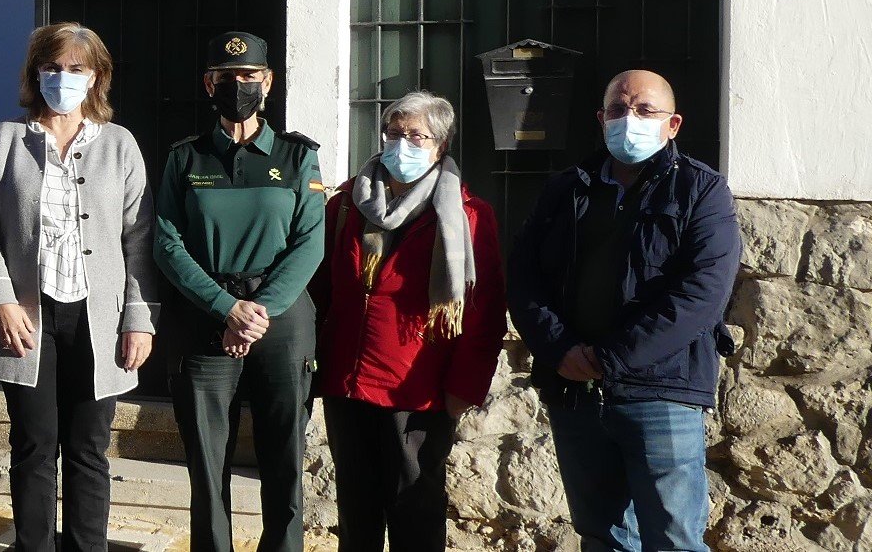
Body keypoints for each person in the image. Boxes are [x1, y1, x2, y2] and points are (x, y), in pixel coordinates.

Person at [509, 70, 739, 552]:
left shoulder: (702, 191)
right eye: (618, 109)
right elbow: (525, 278)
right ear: (601, 118)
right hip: (577, 394)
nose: (629, 119)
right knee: (603, 537)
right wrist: (560, 349)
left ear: (672, 124)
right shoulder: (565, 191)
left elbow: (701, 294)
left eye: (645, 110)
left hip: (661, 391)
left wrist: (610, 358)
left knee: (674, 538)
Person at [0, 22, 158, 552]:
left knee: (89, 447)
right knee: (33, 444)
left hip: (97, 317)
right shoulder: (6, 140)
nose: (62, 78)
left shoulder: (119, 145)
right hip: (29, 315)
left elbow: (138, 236)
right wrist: (0, 297)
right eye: (52, 67)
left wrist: (139, 318)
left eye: (76, 69)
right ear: (35, 74)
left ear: (95, 77)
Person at [312, 91, 506, 552]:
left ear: (440, 145)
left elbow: (484, 313)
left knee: (413, 510)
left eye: (417, 136)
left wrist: (464, 388)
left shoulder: (468, 216)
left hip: (417, 390)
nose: (403, 144)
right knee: (356, 512)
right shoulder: (345, 206)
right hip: (347, 381)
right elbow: (319, 289)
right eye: (394, 133)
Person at [154, 31, 324, 552]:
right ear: (209, 84)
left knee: (284, 455)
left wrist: (258, 313)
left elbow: (310, 242)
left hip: (281, 317)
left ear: (267, 82)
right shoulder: (187, 158)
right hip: (207, 314)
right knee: (207, 461)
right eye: (227, 78)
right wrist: (227, 308)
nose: (238, 86)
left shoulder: (297, 157)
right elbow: (167, 242)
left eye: (249, 76)